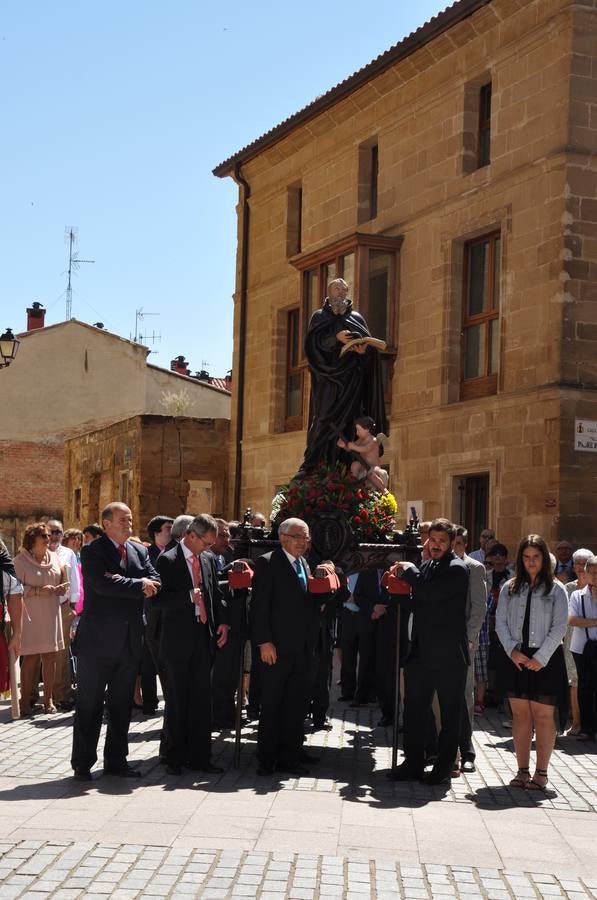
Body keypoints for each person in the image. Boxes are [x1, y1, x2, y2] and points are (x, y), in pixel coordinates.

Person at [70, 502, 161, 781]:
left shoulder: (139, 550)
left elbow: (155, 579)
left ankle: (116, 761)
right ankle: (83, 763)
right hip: (97, 643)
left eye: (130, 519)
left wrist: (130, 581)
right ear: (106, 523)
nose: (128, 524)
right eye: (122, 520)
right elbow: (101, 584)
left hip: (130, 640)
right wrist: (137, 584)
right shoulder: (92, 550)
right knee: (90, 705)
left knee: (121, 706)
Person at [387, 518, 469, 784]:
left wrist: (410, 571)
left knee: (449, 714)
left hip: (447, 657)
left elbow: (431, 594)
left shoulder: (457, 568)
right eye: (432, 540)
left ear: (452, 543)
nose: (435, 545)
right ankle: (412, 763)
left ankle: (443, 768)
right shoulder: (427, 565)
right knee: (414, 711)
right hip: (421, 653)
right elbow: (421, 603)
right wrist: (397, 594)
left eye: (441, 541)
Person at [153, 514, 229, 774]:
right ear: (191, 536)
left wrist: (223, 622)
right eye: (206, 543)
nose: (209, 548)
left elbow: (216, 594)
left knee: (200, 700)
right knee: (177, 699)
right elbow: (156, 601)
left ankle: (201, 757)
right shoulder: (167, 560)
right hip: (177, 640)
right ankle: (174, 758)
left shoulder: (207, 559)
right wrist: (187, 596)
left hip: (202, 636)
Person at [495, 535, 568, 791]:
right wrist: (512, 651)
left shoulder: (556, 589)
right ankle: (522, 771)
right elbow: (499, 622)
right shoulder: (510, 587)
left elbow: (560, 626)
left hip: (545, 657)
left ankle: (542, 773)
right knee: (521, 715)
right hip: (516, 656)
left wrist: (541, 657)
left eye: (536, 557)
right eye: (526, 557)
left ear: (544, 559)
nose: (531, 562)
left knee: (544, 717)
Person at [252, 517, 320, 775]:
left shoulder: (304, 563)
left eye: (305, 537)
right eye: (297, 537)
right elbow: (259, 607)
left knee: (296, 704)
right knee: (272, 704)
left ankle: (291, 754)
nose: (302, 542)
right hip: (276, 648)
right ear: (282, 538)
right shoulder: (268, 562)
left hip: (302, 647)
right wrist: (263, 641)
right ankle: (267, 759)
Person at [298, 278, 388, 474]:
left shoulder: (356, 317)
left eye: (343, 290)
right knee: (323, 419)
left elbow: (370, 359)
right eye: (337, 289)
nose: (340, 293)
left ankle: (345, 467)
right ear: (329, 292)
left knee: (349, 423)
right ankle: (314, 465)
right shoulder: (319, 317)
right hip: (328, 381)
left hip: (352, 382)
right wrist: (334, 338)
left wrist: (363, 352)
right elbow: (311, 347)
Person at [14, 523, 69, 716]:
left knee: (50, 657)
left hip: (51, 613)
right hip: (30, 615)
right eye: (44, 536)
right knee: (30, 658)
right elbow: (14, 590)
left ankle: (48, 700)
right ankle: (24, 701)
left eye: (50, 535)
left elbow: (59, 581)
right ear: (32, 538)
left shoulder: (54, 558)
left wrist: (62, 588)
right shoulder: (19, 561)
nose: (49, 538)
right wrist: (38, 591)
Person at [453, 526, 489, 773]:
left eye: (456, 543)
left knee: (465, 696)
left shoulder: (474, 568)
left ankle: (467, 751)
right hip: (440, 642)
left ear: (464, 545)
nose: (452, 548)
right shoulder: (438, 566)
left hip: (464, 643)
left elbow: (479, 608)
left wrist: (469, 639)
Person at [568, 555, 597, 742]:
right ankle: (586, 728)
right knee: (585, 688)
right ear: (585, 574)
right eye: (592, 573)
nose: (595, 577)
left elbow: (581, 621)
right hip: (581, 648)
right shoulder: (577, 595)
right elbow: (572, 620)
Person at [564, 548, 592, 735]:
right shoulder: (569, 588)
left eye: (585, 563)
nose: (581, 567)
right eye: (578, 563)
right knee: (574, 681)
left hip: (591, 641)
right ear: (573, 566)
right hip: (572, 638)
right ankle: (576, 722)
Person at [336, 416, 389, 492]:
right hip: (363, 465)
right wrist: (344, 446)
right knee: (355, 464)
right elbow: (350, 448)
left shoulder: (373, 440)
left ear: (367, 430)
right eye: (356, 430)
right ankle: (354, 481)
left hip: (373, 466)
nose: (357, 433)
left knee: (371, 474)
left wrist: (353, 446)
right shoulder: (360, 440)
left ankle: (384, 490)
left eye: (359, 430)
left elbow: (365, 449)